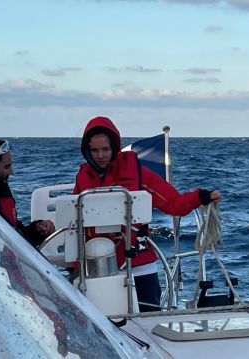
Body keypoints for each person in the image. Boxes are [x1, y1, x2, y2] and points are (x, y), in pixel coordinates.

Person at [74, 116, 221, 312]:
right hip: (98, 266)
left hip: (139, 263)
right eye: (95, 150)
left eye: (105, 149)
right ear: (87, 150)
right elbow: (73, 222)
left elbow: (173, 203)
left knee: (149, 320)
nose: (100, 155)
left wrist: (201, 197)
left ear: (115, 148)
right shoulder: (82, 179)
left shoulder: (138, 173)